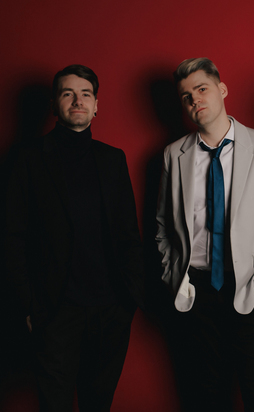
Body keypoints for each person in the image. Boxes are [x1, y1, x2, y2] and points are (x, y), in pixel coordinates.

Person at [5, 64, 144, 411]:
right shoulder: (26, 158)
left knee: (99, 404)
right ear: (54, 105)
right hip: (55, 312)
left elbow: (128, 234)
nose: (77, 101)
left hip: (110, 311)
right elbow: (12, 236)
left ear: (96, 106)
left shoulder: (112, 159)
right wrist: (30, 305)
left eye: (85, 94)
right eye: (68, 93)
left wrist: (129, 298)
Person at [155, 57, 254, 411]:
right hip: (196, 291)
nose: (195, 99)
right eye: (186, 96)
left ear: (222, 89)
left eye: (202, 89)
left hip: (250, 289)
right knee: (207, 395)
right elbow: (163, 224)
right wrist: (173, 273)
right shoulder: (173, 154)